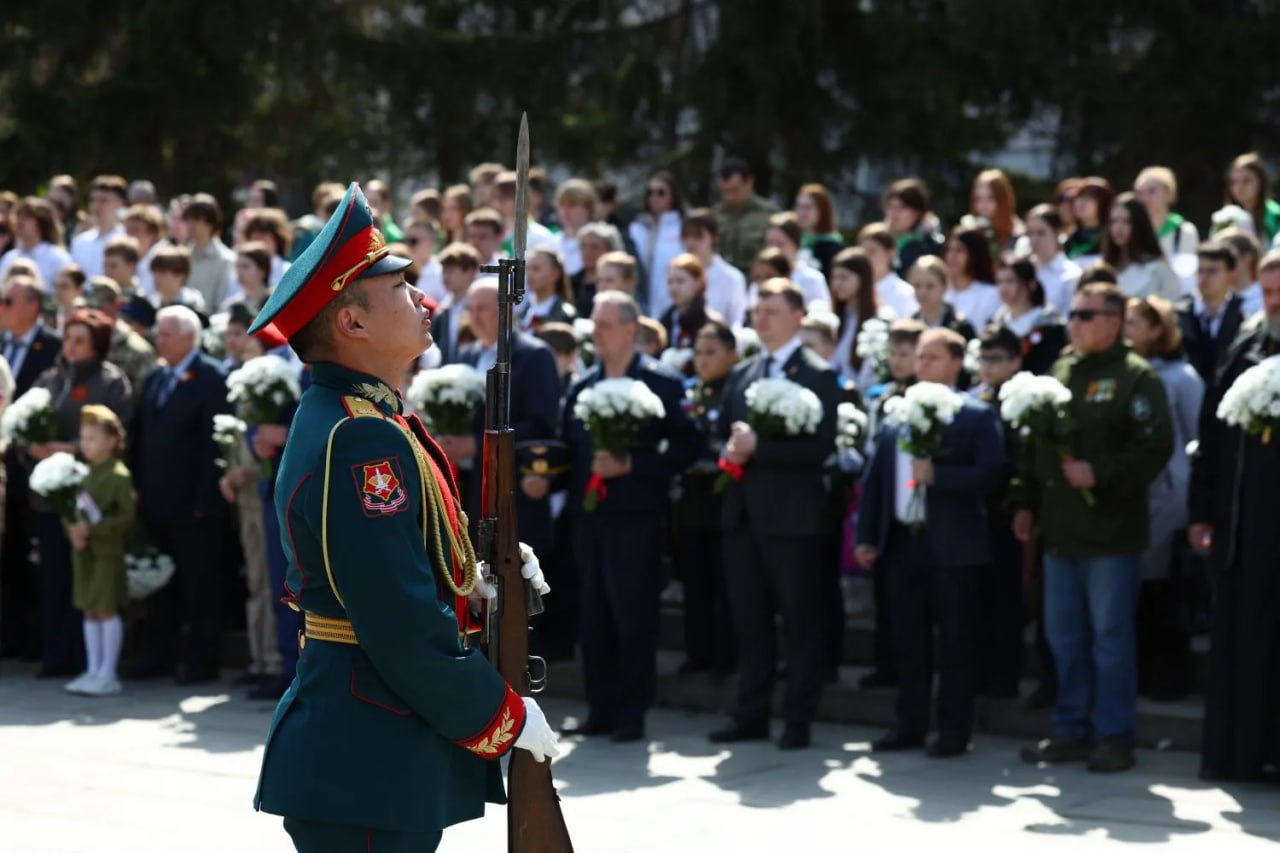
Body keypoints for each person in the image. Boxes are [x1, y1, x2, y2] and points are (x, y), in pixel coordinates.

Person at [240, 183, 557, 850]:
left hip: (371, 751)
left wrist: (479, 574)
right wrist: (499, 715)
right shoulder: (361, 436)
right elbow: (397, 613)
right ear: (351, 324)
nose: (426, 300)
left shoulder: (365, 417)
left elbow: (402, 561)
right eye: (401, 288)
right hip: (367, 755)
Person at [1014, 282, 1173, 773]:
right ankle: (1070, 728)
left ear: (1114, 321)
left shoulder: (1136, 376)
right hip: (1060, 532)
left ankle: (1113, 735)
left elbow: (1155, 447)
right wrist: (1025, 501)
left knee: (1109, 638)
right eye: (1073, 314)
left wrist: (1100, 473)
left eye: (1086, 315)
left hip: (1110, 535)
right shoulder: (1061, 370)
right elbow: (1036, 445)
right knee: (1064, 637)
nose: (1075, 324)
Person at [560, 290, 698, 742]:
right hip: (589, 518)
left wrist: (634, 464)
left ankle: (631, 712)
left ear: (629, 330)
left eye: (605, 325)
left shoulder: (663, 383)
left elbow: (687, 447)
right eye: (594, 325)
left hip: (636, 517)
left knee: (632, 613)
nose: (596, 334)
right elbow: (569, 447)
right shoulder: (583, 386)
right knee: (592, 614)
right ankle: (600, 707)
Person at [707, 279, 839, 750]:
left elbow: (821, 447)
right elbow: (721, 431)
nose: (761, 319)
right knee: (750, 622)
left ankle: (798, 719)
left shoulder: (818, 374)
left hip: (792, 520)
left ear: (798, 317)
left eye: (773, 311)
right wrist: (729, 450)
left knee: (799, 623)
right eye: (757, 311)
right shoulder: (744, 372)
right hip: (744, 517)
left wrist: (761, 448)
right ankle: (751, 713)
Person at [857, 328, 1003, 756]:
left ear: (957, 363)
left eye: (933, 357)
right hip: (904, 543)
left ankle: (954, 730)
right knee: (907, 640)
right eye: (920, 357)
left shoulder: (975, 415)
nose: (922, 365)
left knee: (955, 640)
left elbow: (989, 475)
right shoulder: (897, 413)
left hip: (952, 546)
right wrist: (868, 536)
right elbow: (877, 480)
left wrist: (940, 477)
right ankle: (909, 724)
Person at [1189, 249, 1280, 781]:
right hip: (1244, 531)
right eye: (1267, 293)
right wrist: (1201, 513)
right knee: (1244, 642)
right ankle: (1241, 753)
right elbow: (1211, 433)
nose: (1274, 303)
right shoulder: (1243, 349)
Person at [129, 305, 231, 683]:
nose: (159, 340)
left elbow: (213, 443)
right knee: (160, 584)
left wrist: (205, 501)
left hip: (194, 506)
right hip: (157, 501)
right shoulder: (156, 377)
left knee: (199, 587)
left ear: (190, 337)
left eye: (167, 334)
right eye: (157, 333)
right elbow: (142, 437)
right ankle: (159, 655)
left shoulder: (211, 377)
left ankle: (202, 661)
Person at [29, 309, 133, 678]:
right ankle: (58, 655)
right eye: (67, 339)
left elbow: (118, 430)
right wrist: (33, 446)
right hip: (51, 497)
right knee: (56, 578)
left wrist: (70, 448)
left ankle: (97, 665)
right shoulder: (51, 378)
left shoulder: (111, 382)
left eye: (79, 341)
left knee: (95, 584)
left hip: (96, 498)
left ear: (97, 345)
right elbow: (29, 419)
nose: (70, 347)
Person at [447, 278, 561, 566]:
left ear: (506, 311)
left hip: (515, 494)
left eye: (483, 308)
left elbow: (542, 424)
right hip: (472, 492)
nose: (474, 316)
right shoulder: (467, 354)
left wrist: (479, 444)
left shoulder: (535, 355)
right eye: (471, 309)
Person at [1124, 296, 1202, 701]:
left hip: (1168, 501)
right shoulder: (1124, 375)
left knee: (1164, 592)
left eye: (1133, 323)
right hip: (1131, 500)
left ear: (1157, 329)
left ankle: (1168, 680)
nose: (1125, 330)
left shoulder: (1182, 377)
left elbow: (1198, 436)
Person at [0, 275, 63, 662]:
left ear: (33, 305)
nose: (1, 308)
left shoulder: (51, 347)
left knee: (28, 556)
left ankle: (30, 637)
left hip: (30, 469)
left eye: (8, 300)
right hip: (8, 468)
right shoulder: (2, 345)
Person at [673, 320, 739, 676]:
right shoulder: (689, 393)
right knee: (695, 583)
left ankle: (725, 656)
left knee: (726, 584)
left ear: (732, 355)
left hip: (724, 502)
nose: (703, 359)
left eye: (712, 352)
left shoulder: (736, 392)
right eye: (698, 352)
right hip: (692, 504)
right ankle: (697, 652)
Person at [969, 327, 1027, 699]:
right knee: (977, 598)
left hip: (1006, 511)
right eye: (983, 359)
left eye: (997, 360)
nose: (988, 367)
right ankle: (980, 672)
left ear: (1015, 362)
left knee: (1006, 595)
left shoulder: (1024, 401)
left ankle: (1006, 675)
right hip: (974, 513)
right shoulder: (974, 399)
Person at [63, 404, 135, 697]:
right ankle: (93, 669)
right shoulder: (81, 474)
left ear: (112, 441)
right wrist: (73, 529)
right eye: (83, 438)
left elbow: (126, 516)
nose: (86, 444)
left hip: (106, 550)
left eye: (93, 438)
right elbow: (69, 508)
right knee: (89, 609)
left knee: (105, 608)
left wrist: (94, 529)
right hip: (84, 552)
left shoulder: (118, 475)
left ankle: (108, 672)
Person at [1177, 240, 1246, 387]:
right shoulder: (1178, 317)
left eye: (1213, 271)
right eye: (1200, 271)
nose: (1204, 278)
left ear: (1231, 275)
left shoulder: (1244, 321)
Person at [990, 259, 1068, 375]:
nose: (1003, 288)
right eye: (999, 282)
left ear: (1031, 285)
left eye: (1010, 281)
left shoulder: (1051, 326)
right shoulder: (995, 324)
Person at [829, 247, 889, 390]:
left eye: (844, 277)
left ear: (863, 279)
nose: (837, 284)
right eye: (834, 277)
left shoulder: (881, 319)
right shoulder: (836, 317)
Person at [1102, 193, 1181, 301]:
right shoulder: (1103, 269)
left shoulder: (1158, 269)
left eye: (1127, 221)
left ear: (1139, 224)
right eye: (1113, 221)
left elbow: (1173, 304)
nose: (1118, 228)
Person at [628, 171, 685, 318]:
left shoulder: (682, 228)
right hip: (640, 303)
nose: (654, 197)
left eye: (661, 193)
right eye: (650, 193)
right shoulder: (636, 229)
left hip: (670, 301)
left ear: (673, 196)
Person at [680, 208, 748, 329]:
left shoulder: (732, 278)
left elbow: (737, 323)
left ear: (714, 237)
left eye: (698, 236)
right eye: (686, 236)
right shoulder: (674, 275)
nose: (690, 242)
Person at [714, 157, 778, 275]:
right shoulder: (714, 216)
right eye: (725, 191)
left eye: (734, 190)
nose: (729, 197)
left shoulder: (770, 214)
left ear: (749, 182)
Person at [1134, 166, 1200, 277]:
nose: (1145, 198)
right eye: (1140, 193)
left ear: (1169, 193)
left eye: (1151, 191)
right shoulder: (1133, 232)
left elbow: (1190, 275)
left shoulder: (1184, 231)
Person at [182, 194, 239, 310]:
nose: (190, 224)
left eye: (196, 219)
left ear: (210, 223)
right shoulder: (183, 255)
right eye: (188, 218)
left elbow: (222, 303)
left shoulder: (225, 260)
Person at [0, 196, 72, 287]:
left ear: (41, 223)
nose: (19, 221)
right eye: (18, 216)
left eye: (27, 217)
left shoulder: (57, 258)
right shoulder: (9, 257)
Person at [765, 211, 830, 311]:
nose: (773, 250)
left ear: (796, 245)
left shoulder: (812, 279)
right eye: (769, 243)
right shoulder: (761, 278)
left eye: (780, 244)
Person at [1023, 204, 1082, 314]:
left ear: (1057, 233)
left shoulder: (1071, 274)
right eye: (1030, 233)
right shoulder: (1022, 271)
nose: (1034, 240)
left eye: (1041, 233)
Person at [431, 242, 482, 366]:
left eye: (451, 271)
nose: (445, 276)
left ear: (470, 272)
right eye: (444, 271)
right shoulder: (442, 310)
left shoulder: (481, 308)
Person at [659, 253, 723, 352]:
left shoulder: (712, 323)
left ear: (698, 282)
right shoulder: (665, 321)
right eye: (670, 282)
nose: (674, 288)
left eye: (680, 281)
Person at [882, 178, 946, 276]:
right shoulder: (879, 241)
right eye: (891, 207)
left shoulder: (932, 246)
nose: (894, 214)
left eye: (901, 208)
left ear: (917, 212)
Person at [943, 227, 1001, 331]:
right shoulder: (941, 292)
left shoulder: (992, 295)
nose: (952, 256)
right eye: (949, 250)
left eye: (959, 250)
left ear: (975, 254)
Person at [70, 175, 128, 278]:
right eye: (93, 200)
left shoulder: (126, 239)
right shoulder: (79, 241)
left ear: (120, 203)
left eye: (103, 200)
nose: (96, 206)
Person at [858, 223, 919, 318]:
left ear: (890, 253)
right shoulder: (854, 290)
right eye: (862, 251)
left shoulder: (906, 294)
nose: (866, 257)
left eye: (872, 251)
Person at [908, 256, 976, 340]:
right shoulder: (908, 327)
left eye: (930, 286)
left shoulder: (961, 326)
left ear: (945, 287)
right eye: (917, 285)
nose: (922, 292)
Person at [1221, 151, 1280, 244]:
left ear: (1260, 182)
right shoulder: (1226, 216)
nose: (1239, 187)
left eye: (1246, 180)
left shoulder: (1275, 215)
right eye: (1234, 181)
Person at [518, 246, 577, 333]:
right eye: (528, 268)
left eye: (536, 269)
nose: (529, 274)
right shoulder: (525, 309)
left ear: (555, 274)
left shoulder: (566, 315)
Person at [968, 169, 1023, 261]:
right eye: (978, 199)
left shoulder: (1018, 235)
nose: (983, 205)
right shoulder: (970, 229)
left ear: (1003, 199)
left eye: (990, 198)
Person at [570, 222, 622, 317]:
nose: (587, 252)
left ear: (609, 249)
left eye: (594, 247)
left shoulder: (617, 282)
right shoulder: (570, 282)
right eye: (583, 246)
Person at [794, 183, 844, 281]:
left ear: (822, 210)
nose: (802, 213)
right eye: (799, 207)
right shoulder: (794, 240)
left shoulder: (833, 248)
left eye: (808, 207)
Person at [553, 178, 598, 278]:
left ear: (588, 208)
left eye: (572, 205)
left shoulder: (600, 242)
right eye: (561, 205)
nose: (565, 211)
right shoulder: (551, 242)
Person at [1064, 178, 1112, 265]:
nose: (1080, 202)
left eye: (1089, 197)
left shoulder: (1111, 238)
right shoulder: (1069, 239)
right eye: (1079, 197)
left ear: (1103, 203)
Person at [149, 244, 208, 316]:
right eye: (154, 272)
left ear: (180, 275)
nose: (156, 277)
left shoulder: (193, 303)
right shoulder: (151, 304)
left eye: (162, 272)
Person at [225, 241, 273, 313]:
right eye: (237, 266)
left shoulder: (274, 301)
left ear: (262, 271)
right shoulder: (232, 305)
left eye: (245, 266)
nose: (239, 271)